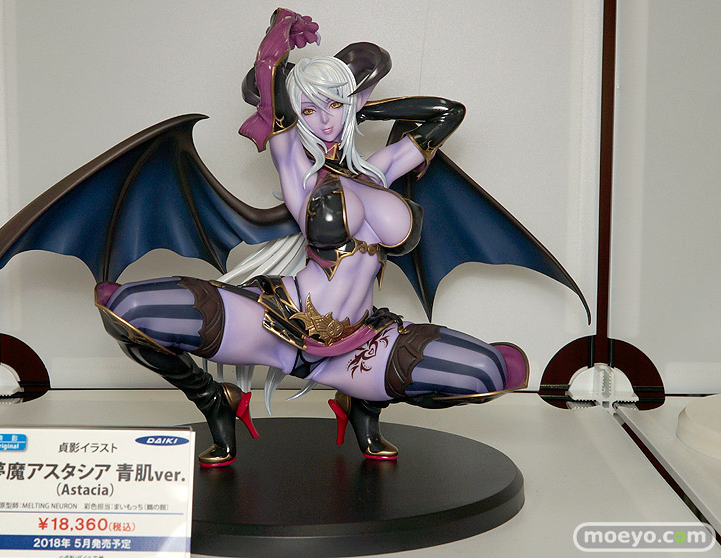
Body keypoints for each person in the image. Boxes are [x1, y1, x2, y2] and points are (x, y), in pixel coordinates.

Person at [95, 8, 527, 467]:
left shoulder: (380, 171)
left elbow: (448, 113)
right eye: (308, 110)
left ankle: (361, 403)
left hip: (361, 345)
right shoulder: (297, 170)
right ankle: (215, 400)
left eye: (333, 106)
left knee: (489, 373)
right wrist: (280, 31)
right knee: (126, 312)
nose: (323, 121)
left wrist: (359, 108)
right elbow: (270, 76)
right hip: (276, 325)